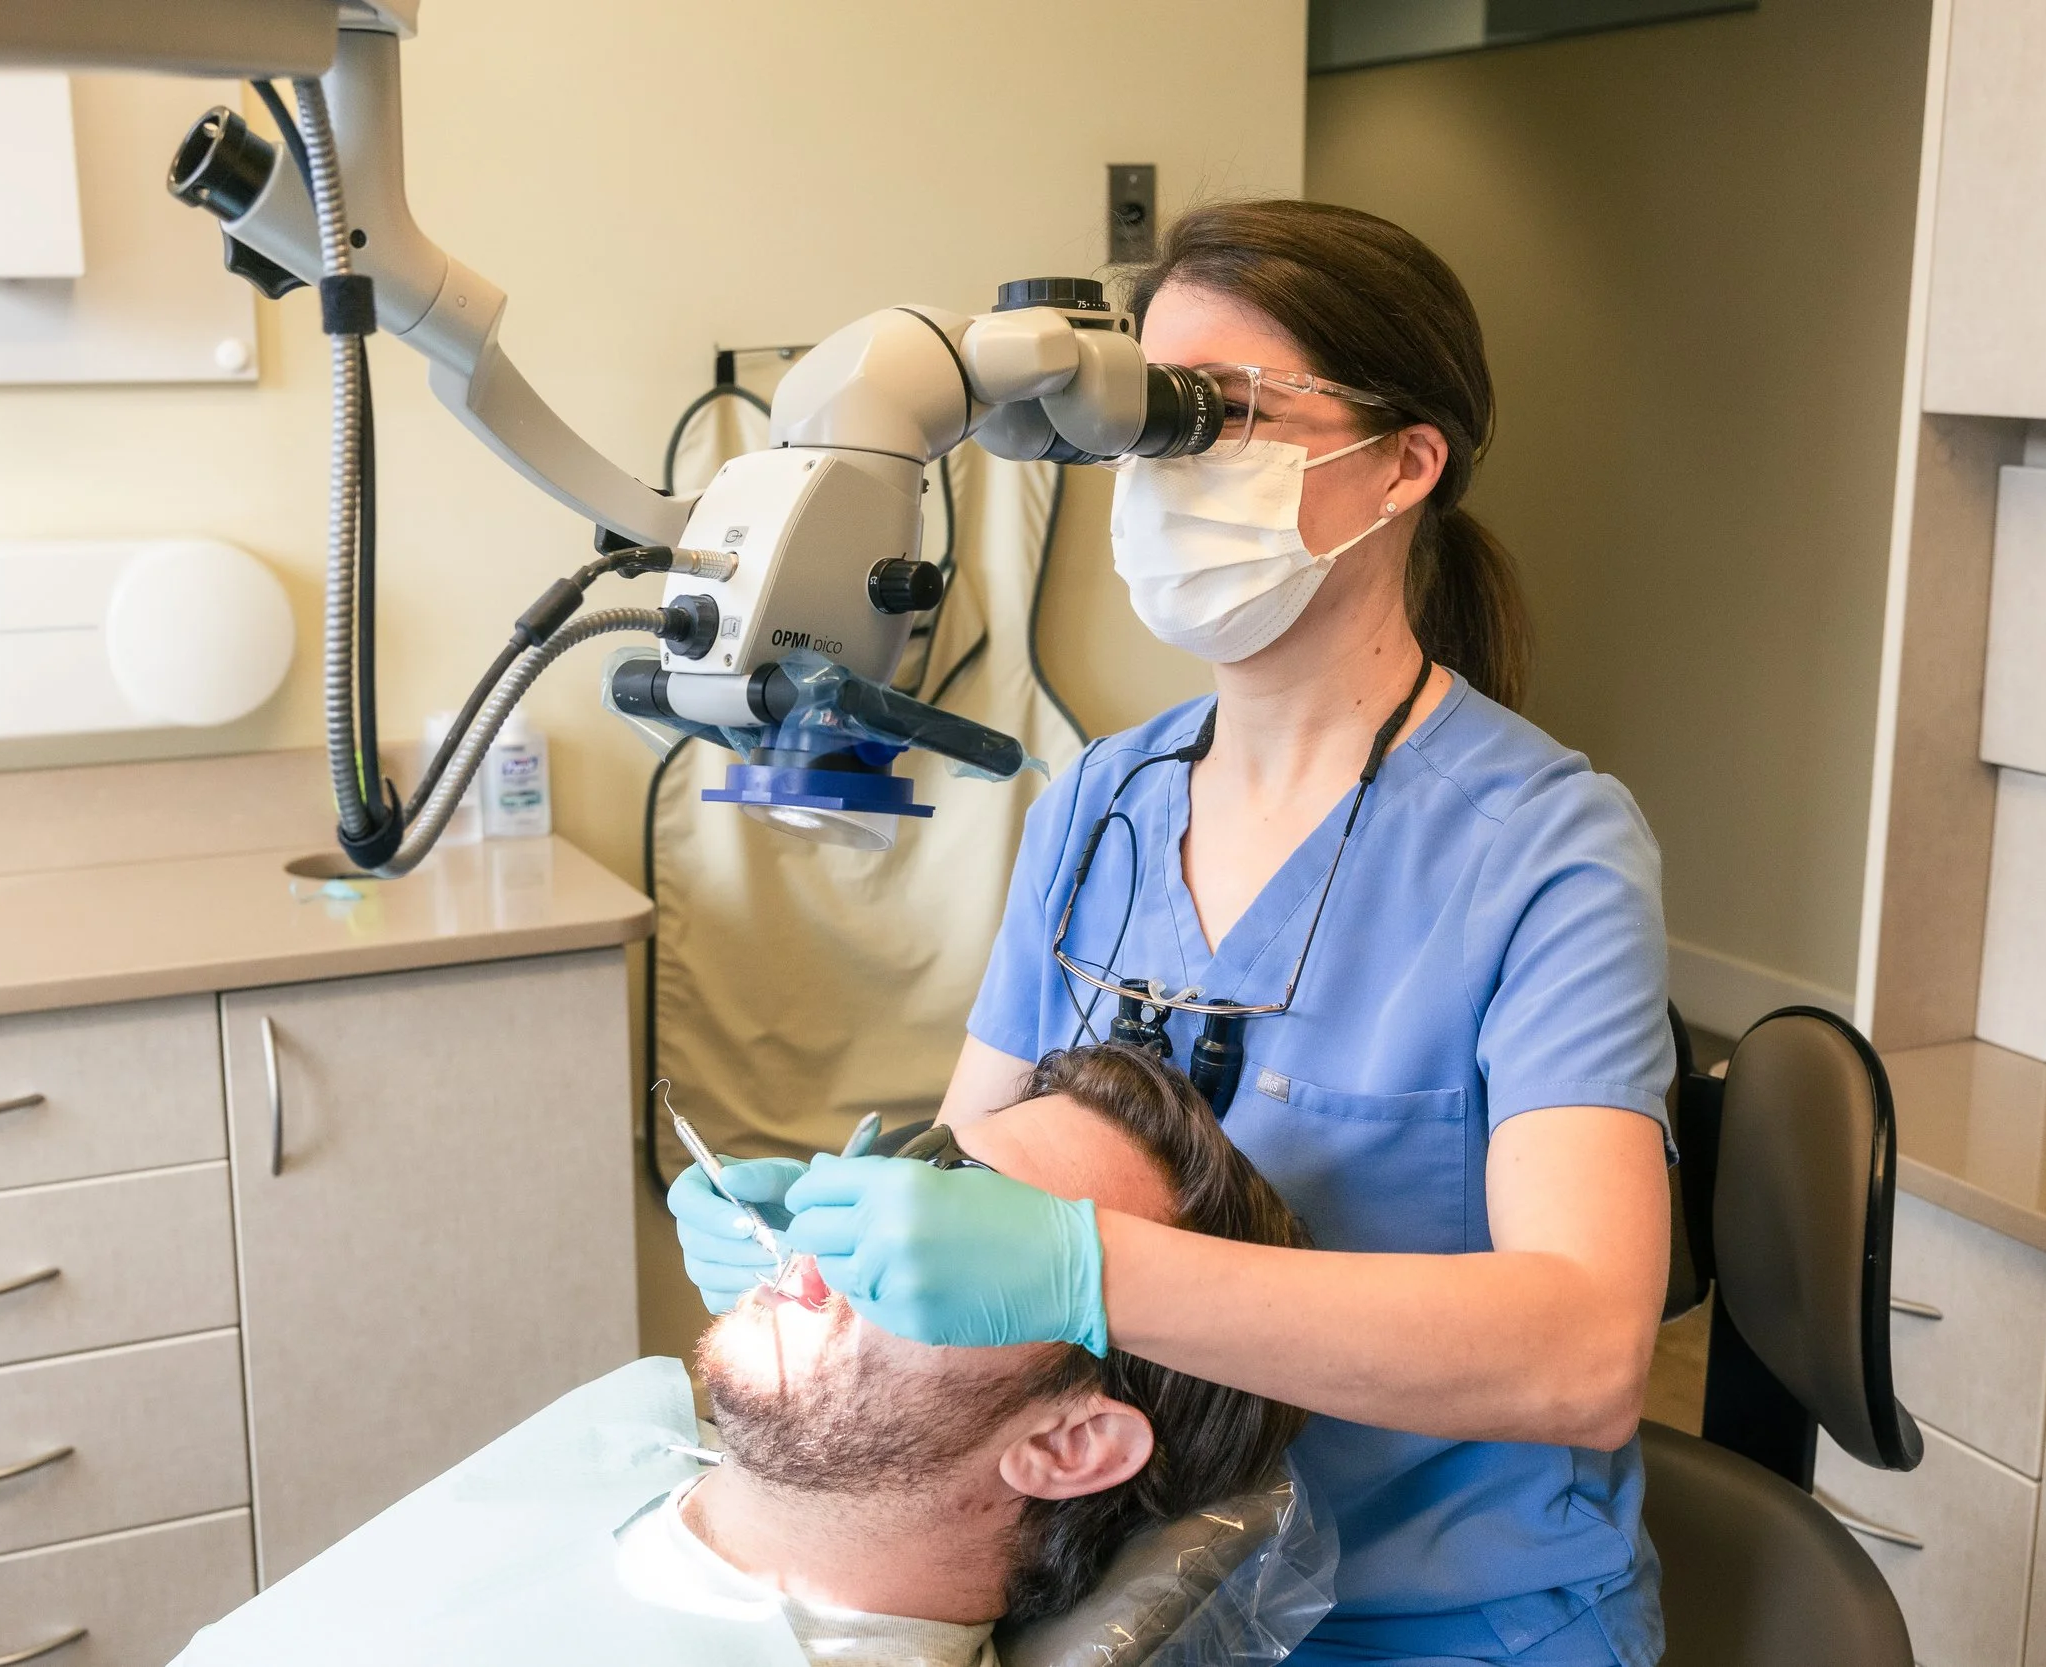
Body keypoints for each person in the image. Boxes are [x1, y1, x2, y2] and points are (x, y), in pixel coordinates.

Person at [675, 201, 1677, 1667]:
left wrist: (1082, 1268)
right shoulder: (1100, 796)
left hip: (1450, 1618)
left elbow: (1584, 1352)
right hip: (1133, 1595)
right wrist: (837, 1228)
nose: (1171, 467)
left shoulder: (1543, 846)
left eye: (1229, 415)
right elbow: (978, 1154)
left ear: (1403, 463)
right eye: (1154, 424)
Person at [177, 1045, 1309, 1667]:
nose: (864, 1221)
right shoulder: (624, 1431)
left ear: (1064, 1442)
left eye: (971, 1231)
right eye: (917, 1170)